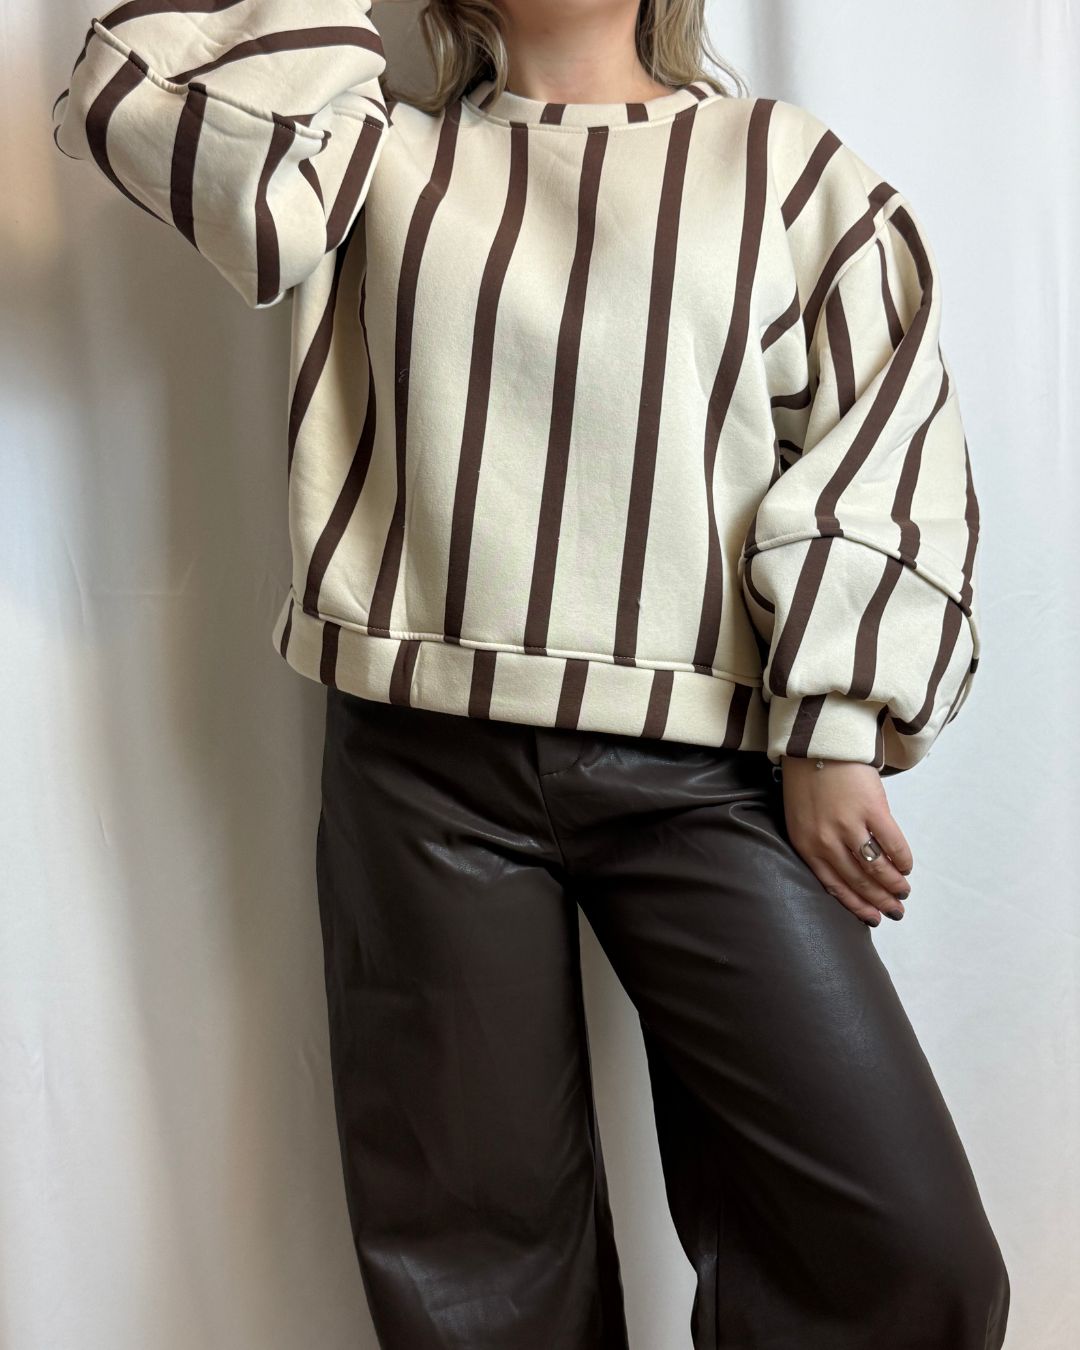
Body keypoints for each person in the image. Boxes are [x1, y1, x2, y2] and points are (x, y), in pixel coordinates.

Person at [50, 1, 1010, 1346]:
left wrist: (834, 724)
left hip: (711, 767)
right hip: (419, 766)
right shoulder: (362, 154)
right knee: (480, 1284)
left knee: (904, 1253)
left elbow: (885, 429)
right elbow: (130, 87)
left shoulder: (777, 166)